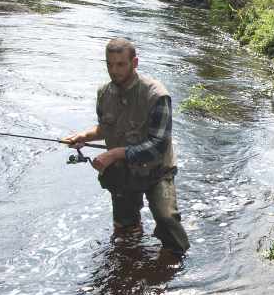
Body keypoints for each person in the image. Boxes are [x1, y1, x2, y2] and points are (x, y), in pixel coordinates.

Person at [63, 37, 190, 258]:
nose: (114, 71)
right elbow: (106, 127)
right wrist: (84, 136)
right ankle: (128, 256)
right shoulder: (104, 93)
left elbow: (157, 147)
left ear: (135, 63)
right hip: (123, 171)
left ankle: (177, 262)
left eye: (120, 64)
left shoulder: (157, 96)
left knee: (167, 220)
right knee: (124, 229)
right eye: (109, 64)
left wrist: (114, 153)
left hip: (157, 169)